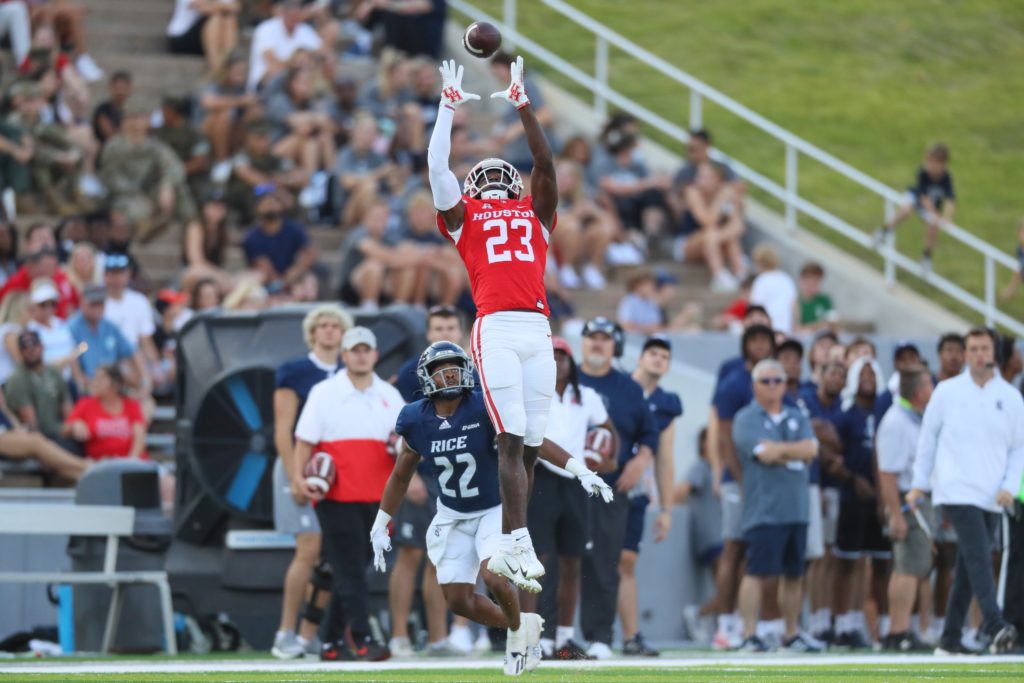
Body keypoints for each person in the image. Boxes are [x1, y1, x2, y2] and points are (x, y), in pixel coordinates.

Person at [370, 341, 613, 676]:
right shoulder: (415, 418)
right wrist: (381, 522)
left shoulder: (484, 406)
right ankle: (523, 626)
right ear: (426, 378)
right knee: (457, 601)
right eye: (441, 370)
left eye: (455, 366)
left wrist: (579, 469)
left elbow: (533, 440)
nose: (450, 373)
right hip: (452, 513)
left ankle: (518, 642)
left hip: (494, 509)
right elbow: (400, 475)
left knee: (495, 577)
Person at [426, 58, 558, 590]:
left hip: (538, 329)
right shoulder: (466, 218)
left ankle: (510, 541)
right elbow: (437, 170)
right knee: (508, 438)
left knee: (530, 443)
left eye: (508, 176)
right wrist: (446, 108)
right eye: (490, 178)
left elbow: (546, 167)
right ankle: (518, 542)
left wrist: (523, 104)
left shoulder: (536, 211)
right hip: (497, 325)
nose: (501, 182)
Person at [908, 327, 1023, 655]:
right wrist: (919, 482)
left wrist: (1009, 487)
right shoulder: (947, 392)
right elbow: (927, 438)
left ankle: (950, 638)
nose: (977, 354)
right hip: (955, 488)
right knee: (980, 555)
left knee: (969, 563)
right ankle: (995, 623)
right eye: (972, 348)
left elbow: (1019, 448)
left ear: (994, 352)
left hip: (992, 493)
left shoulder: (1011, 398)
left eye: (983, 348)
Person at [292, 326, 403, 662]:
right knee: (351, 568)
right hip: (336, 495)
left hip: (379, 497)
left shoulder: (389, 394)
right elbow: (305, 442)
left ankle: (329, 642)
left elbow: (405, 443)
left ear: (375, 354)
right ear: (344, 355)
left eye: (365, 349)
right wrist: (298, 479)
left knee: (355, 567)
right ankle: (364, 639)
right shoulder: (324, 392)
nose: (360, 354)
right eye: (354, 349)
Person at [388, 305, 475, 657]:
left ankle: (444, 637)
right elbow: (393, 425)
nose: (444, 331)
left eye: (450, 326)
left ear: (461, 330)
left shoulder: (474, 367)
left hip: (462, 473)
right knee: (411, 554)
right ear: (427, 332)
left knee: (450, 557)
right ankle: (399, 636)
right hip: (424, 472)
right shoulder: (410, 372)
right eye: (437, 326)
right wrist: (408, 476)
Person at [524, 336, 616, 660]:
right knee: (537, 562)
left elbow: (607, 431)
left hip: (576, 480)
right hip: (542, 478)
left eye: (563, 357)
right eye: (552, 357)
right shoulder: (532, 393)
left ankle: (562, 637)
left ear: (571, 362)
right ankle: (535, 637)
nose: (558, 363)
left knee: (572, 561)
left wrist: (604, 456)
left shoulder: (586, 396)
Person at [576, 317, 660, 659]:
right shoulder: (565, 380)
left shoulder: (627, 387)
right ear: (582, 342)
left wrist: (640, 461)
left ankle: (599, 636)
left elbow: (649, 432)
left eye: (605, 339)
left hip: (610, 486)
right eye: (592, 337)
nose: (598, 344)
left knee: (605, 561)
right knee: (555, 560)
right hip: (567, 484)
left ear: (616, 346)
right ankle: (551, 636)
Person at [270, 304, 349, 660]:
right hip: (302, 465)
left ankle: (310, 634)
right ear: (312, 332)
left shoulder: (352, 371)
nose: (330, 331)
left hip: (339, 470)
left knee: (333, 556)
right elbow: (283, 430)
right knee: (308, 549)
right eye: (323, 325)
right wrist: (295, 476)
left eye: (336, 325)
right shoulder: (295, 372)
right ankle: (285, 632)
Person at [733, 359, 821, 653]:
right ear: (754, 385)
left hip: (796, 506)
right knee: (757, 571)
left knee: (795, 574)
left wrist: (780, 450)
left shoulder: (797, 415)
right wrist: (792, 452)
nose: (772, 386)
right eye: (765, 381)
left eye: (777, 380)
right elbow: (763, 454)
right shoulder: (746, 418)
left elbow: (811, 449)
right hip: (764, 508)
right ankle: (748, 633)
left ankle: (792, 632)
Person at [619, 334, 681, 656]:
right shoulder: (618, 386)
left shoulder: (667, 403)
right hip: (602, 485)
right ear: (640, 357)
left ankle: (630, 637)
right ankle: (567, 636)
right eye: (653, 353)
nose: (658, 359)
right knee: (582, 560)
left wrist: (667, 509)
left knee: (627, 560)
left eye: (664, 356)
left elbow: (666, 457)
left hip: (637, 490)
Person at [830, 356, 891, 649]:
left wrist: (882, 493)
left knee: (882, 564)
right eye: (862, 372)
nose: (868, 377)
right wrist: (854, 480)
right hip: (853, 496)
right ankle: (844, 623)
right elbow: (833, 456)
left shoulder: (885, 413)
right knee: (848, 563)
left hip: (880, 496)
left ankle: (886, 626)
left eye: (872, 371)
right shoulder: (845, 415)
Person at [876, 366, 934, 652]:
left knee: (910, 567)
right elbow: (887, 472)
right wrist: (896, 513)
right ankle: (898, 631)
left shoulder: (912, 418)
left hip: (917, 500)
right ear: (919, 391)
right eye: (929, 385)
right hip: (907, 501)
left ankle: (899, 630)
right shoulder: (896, 421)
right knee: (907, 567)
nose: (933, 390)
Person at [874, 142, 956, 272]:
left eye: (933, 163)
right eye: (929, 162)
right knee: (906, 211)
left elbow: (950, 200)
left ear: (942, 164)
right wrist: (935, 213)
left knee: (933, 225)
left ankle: (926, 257)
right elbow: (923, 197)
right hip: (916, 197)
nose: (930, 166)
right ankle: (884, 232)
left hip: (931, 206)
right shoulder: (923, 172)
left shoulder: (946, 178)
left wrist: (946, 218)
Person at [64, 364, 146, 461]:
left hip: (132, 463)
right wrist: (75, 424)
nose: (95, 382)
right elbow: (64, 430)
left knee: (164, 475)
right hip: (100, 464)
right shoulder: (85, 404)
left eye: (101, 379)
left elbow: (139, 438)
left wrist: (130, 462)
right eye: (95, 378)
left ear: (115, 384)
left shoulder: (131, 405)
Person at [3, 329, 71, 444]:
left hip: (62, 432)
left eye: (34, 345)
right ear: (20, 351)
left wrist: (71, 428)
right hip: (41, 438)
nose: (31, 350)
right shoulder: (17, 379)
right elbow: (32, 425)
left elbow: (68, 408)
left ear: (42, 346)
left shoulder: (53, 372)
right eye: (25, 347)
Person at [66, 284, 139, 384]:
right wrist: (83, 383)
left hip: (113, 385)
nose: (97, 308)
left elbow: (131, 351)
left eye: (100, 303)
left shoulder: (110, 327)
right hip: (89, 386)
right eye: (93, 304)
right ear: (82, 303)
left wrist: (144, 381)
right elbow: (71, 361)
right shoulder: (71, 328)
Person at [247, 0, 326, 92]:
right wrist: (296, 66)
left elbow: (323, 53)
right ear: (283, 14)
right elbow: (272, 62)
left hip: (299, 80)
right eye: (290, 15)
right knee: (274, 71)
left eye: (296, 16)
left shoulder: (304, 29)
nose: (294, 19)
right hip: (267, 83)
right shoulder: (266, 29)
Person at [242, 190, 317, 285]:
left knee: (309, 280)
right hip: (266, 281)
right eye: (265, 202)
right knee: (253, 277)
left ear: (281, 206)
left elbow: (308, 254)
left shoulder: (295, 229)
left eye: (273, 202)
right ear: (257, 208)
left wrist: (294, 272)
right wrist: (280, 282)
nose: (270, 205)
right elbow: (263, 266)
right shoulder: (252, 236)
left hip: (294, 276)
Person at [166, 0, 240, 71]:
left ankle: (226, 63)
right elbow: (203, 8)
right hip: (182, 37)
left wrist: (212, 6)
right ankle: (216, 68)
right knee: (216, 18)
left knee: (230, 20)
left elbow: (236, 7)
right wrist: (223, 7)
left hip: (206, 38)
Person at [749, 244, 797, 335]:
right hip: (786, 330)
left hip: (767, 331)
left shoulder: (761, 280)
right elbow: (794, 307)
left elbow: (755, 309)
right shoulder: (787, 279)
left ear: (760, 263)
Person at [796, 262, 836, 333]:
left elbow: (834, 323)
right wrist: (818, 325)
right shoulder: (796, 301)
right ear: (802, 280)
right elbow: (797, 329)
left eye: (816, 281)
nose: (812, 285)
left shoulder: (824, 300)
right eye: (809, 280)